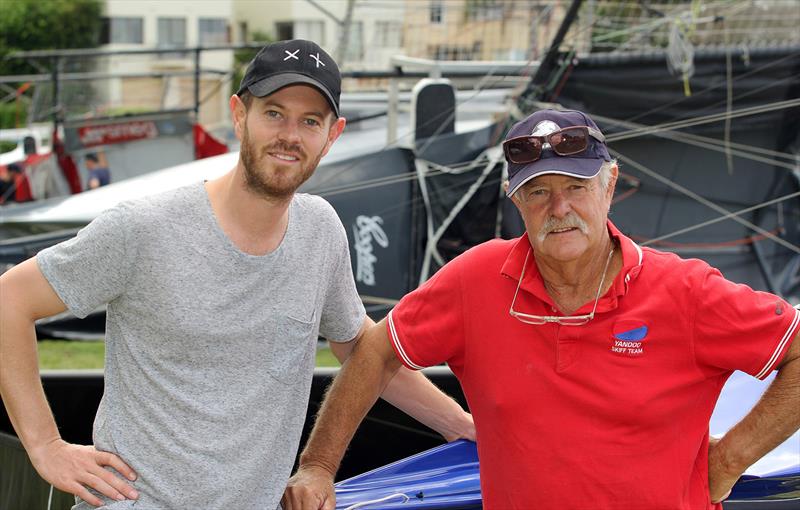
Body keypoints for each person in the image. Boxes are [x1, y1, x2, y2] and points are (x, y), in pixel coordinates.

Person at [0, 39, 473, 510]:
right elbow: (9, 301)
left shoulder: (321, 231)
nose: (290, 134)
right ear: (239, 114)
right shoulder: (145, 228)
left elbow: (361, 348)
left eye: (310, 121)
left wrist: (462, 426)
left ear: (332, 135)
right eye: (274, 112)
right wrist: (46, 446)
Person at [284, 108, 800, 510]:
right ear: (516, 201)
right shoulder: (476, 280)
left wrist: (730, 459)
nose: (560, 208)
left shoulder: (685, 291)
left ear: (610, 185)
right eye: (539, 192)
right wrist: (318, 466)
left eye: (577, 187)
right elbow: (376, 351)